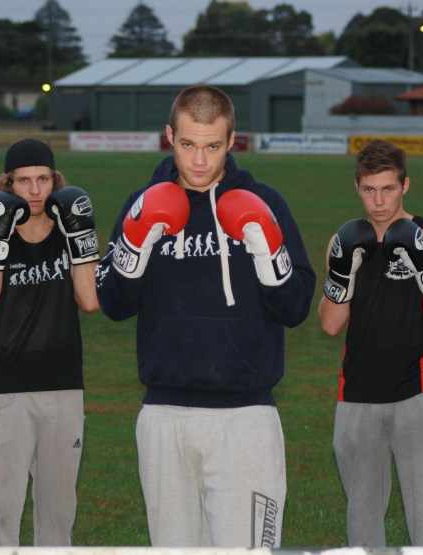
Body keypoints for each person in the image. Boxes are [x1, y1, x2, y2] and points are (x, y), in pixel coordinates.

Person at [96, 84, 315, 547]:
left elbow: (295, 307)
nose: (199, 160)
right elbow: (114, 305)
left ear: (231, 140)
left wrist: (268, 255)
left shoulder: (266, 202)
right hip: (163, 415)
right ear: (169, 136)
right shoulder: (142, 203)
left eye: (213, 146)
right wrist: (134, 251)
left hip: (245, 416)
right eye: (188, 145)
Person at [318, 139, 423, 547]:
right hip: (357, 395)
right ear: (357, 187)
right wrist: (342, 272)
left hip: (420, 392)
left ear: (405, 186)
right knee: (362, 524)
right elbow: (330, 324)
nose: (379, 201)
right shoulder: (343, 241)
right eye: (369, 190)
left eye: (388, 189)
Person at [0, 138, 100, 546]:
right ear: (8, 183)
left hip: (63, 384)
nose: (36, 190)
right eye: (24, 180)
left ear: (55, 180)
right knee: (0, 516)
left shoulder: (69, 231)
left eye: (43, 179)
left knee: (59, 515)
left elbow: (90, 301)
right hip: (7, 389)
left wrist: (82, 237)